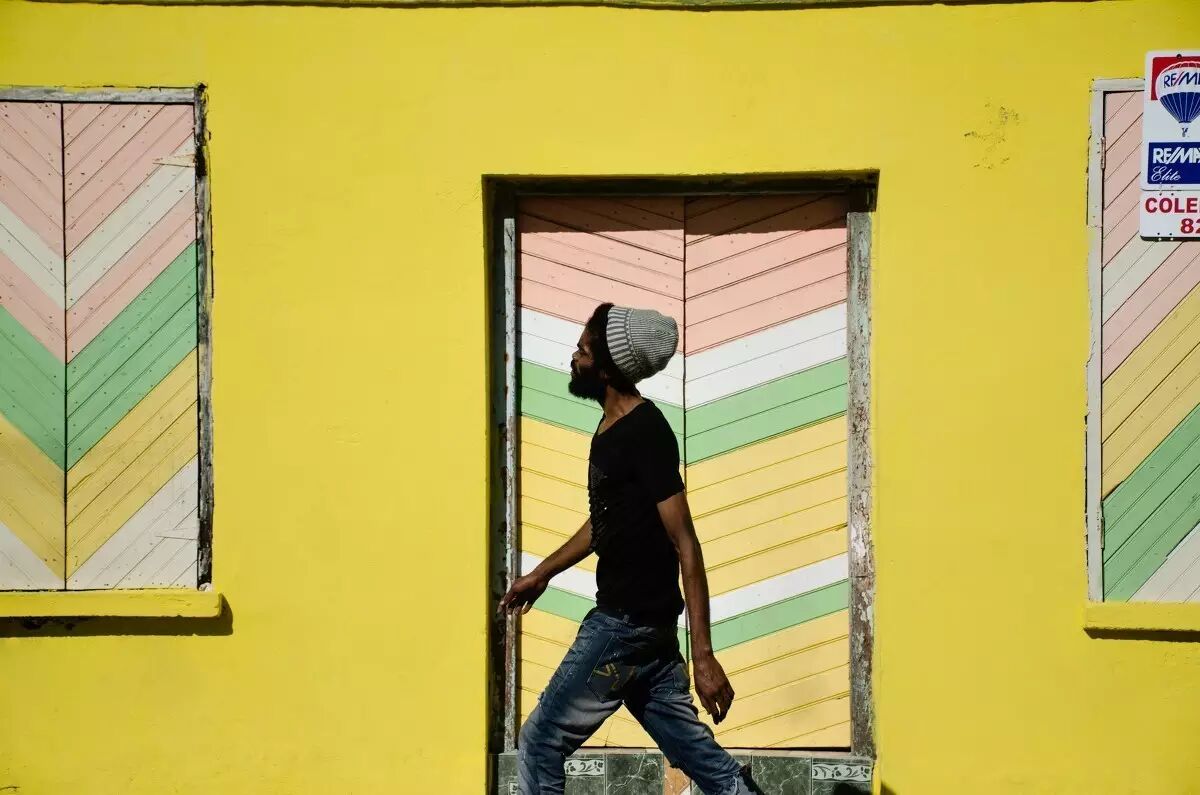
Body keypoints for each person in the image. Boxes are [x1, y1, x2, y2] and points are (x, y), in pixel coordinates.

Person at [499, 303, 760, 795]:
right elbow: (605, 524)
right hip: (649, 639)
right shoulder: (610, 429)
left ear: (606, 368)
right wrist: (542, 574)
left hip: (624, 627)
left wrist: (704, 655)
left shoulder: (645, 432)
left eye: (582, 351)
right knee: (702, 761)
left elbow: (686, 542)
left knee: (539, 743)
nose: (573, 357)